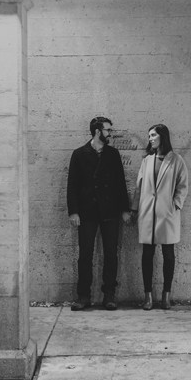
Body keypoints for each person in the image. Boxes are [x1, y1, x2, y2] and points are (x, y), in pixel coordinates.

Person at [67, 116, 131, 311]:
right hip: (86, 211)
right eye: (107, 130)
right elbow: (72, 185)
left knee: (111, 253)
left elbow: (120, 183)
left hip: (110, 210)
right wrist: (73, 212)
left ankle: (109, 294)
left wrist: (125, 209)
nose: (110, 133)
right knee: (85, 254)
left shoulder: (113, 154)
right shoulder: (79, 154)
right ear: (97, 131)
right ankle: (83, 295)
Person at [133, 124, 189, 310]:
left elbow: (183, 185)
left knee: (168, 254)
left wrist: (175, 205)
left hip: (167, 213)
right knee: (147, 254)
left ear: (162, 136)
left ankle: (166, 295)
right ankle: (148, 296)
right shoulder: (147, 161)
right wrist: (134, 209)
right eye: (149, 135)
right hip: (147, 213)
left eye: (153, 135)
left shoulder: (176, 160)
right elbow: (139, 187)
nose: (150, 138)